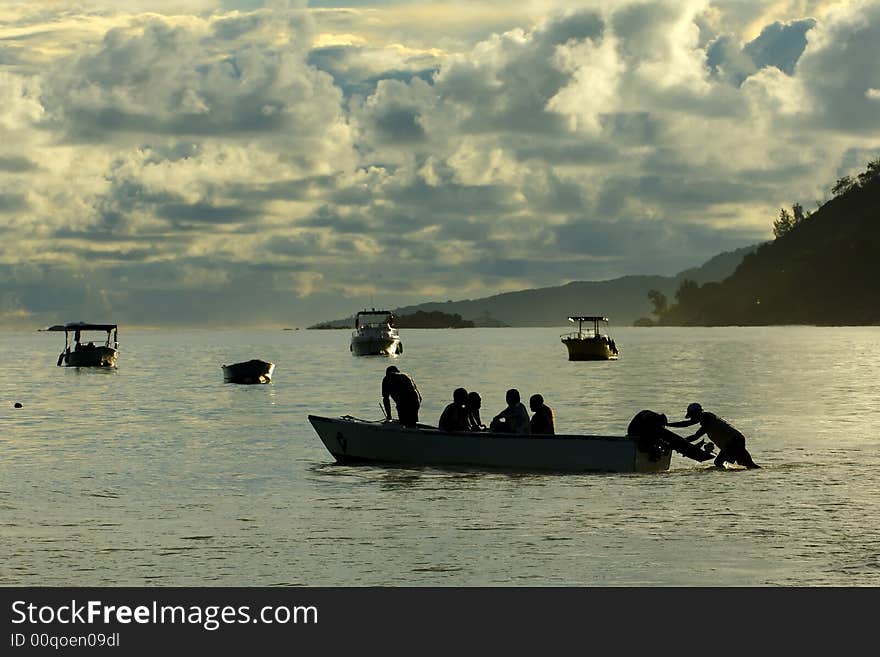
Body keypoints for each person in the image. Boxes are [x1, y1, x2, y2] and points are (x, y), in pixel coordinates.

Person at [668, 403, 760, 469]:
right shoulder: (705, 418)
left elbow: (695, 436)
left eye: (692, 416)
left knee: (719, 462)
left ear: (697, 413)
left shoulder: (707, 418)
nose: (692, 419)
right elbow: (687, 424)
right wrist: (668, 425)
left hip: (734, 441)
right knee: (747, 464)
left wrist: (678, 442)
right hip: (736, 440)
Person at [627, 409, 715, 463]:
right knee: (657, 445)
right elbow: (652, 436)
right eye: (662, 426)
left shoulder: (651, 417)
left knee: (664, 441)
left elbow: (687, 425)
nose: (662, 428)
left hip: (634, 431)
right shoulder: (652, 421)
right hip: (637, 432)